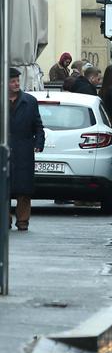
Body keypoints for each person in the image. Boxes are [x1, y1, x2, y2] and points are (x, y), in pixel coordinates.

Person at [8, 67, 45, 231]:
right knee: (4, 187)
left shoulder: (29, 101)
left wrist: (39, 142)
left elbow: (38, 125)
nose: (16, 84)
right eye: (12, 81)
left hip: (23, 149)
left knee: (24, 188)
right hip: (4, 150)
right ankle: (5, 220)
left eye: (17, 80)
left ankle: (23, 221)